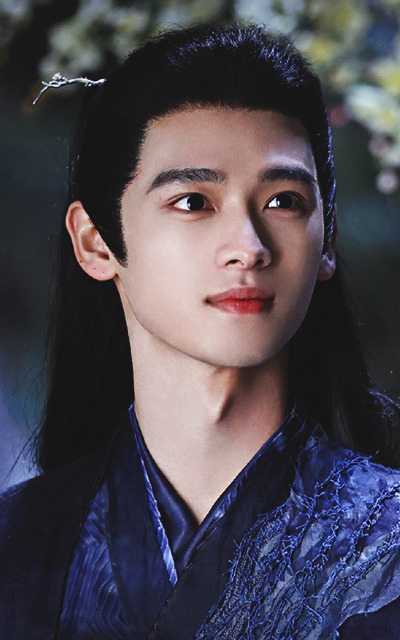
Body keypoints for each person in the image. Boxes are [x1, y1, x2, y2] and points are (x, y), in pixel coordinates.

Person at [1, 23, 400, 640]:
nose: (248, 247)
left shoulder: (387, 534)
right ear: (96, 242)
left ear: (328, 241)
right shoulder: (18, 548)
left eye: (284, 200)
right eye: (193, 201)